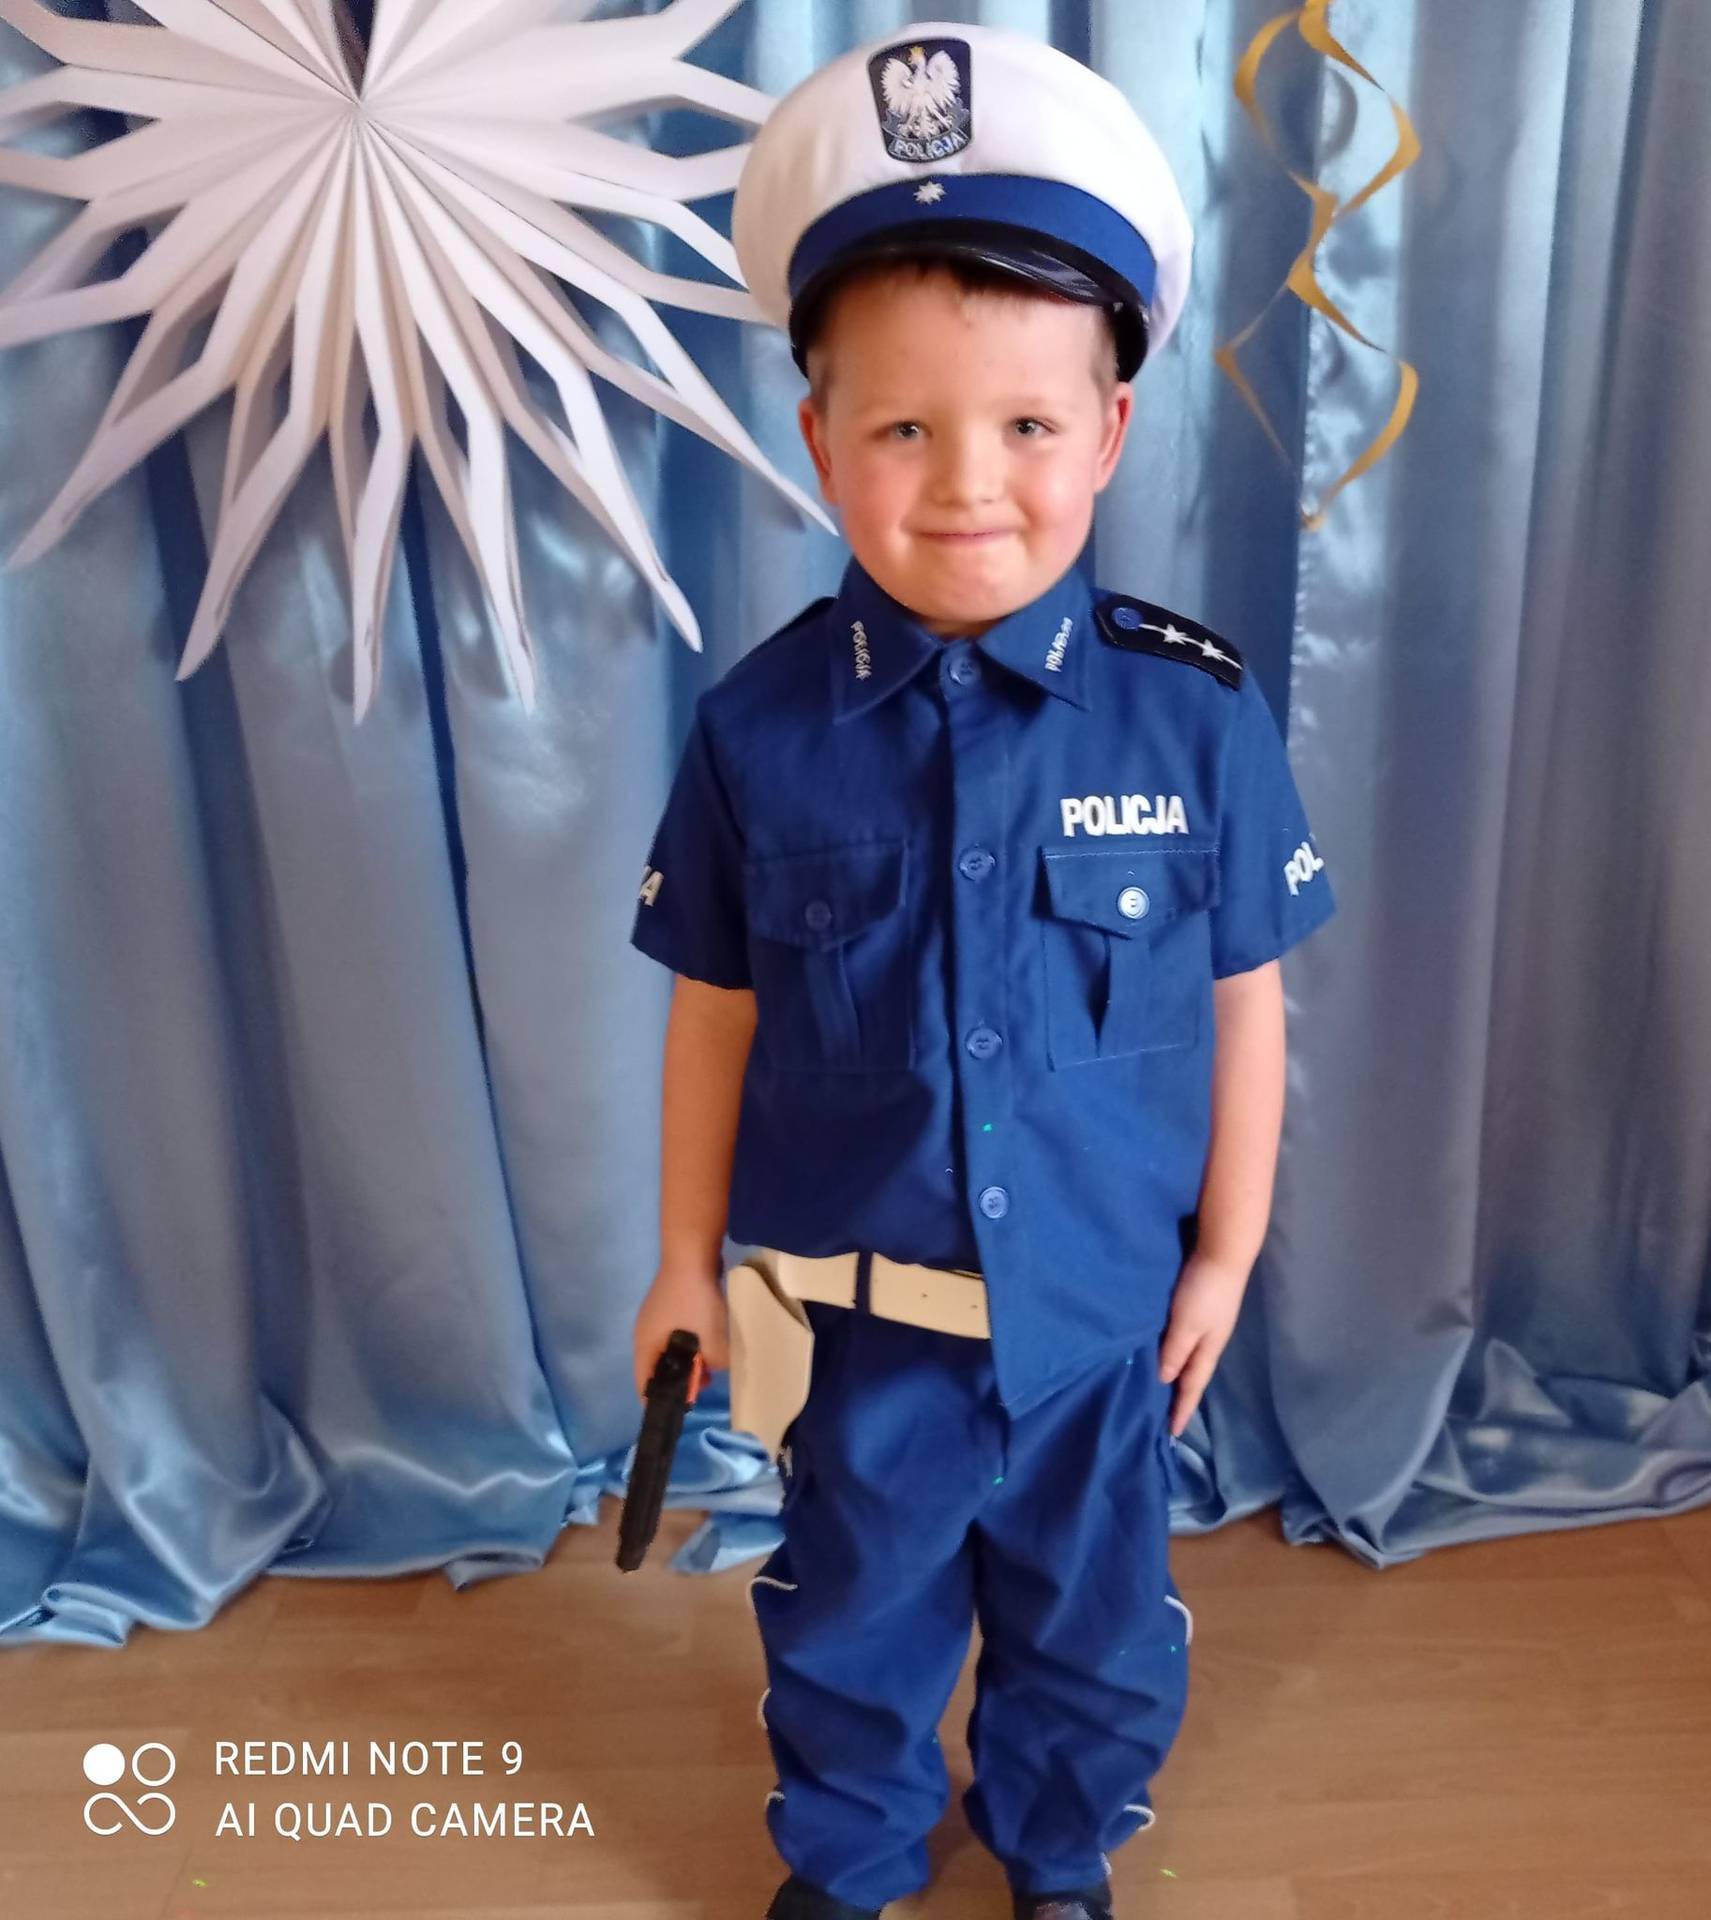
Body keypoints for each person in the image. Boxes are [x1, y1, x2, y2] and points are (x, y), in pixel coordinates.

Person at [627, 23, 1336, 1920]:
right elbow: (716, 1009)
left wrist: (1226, 1255)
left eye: (1028, 426)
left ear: (1109, 433)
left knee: (1095, 1637)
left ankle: (1057, 1855)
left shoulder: (1195, 719)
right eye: (903, 430)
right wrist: (686, 1261)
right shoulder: (757, 732)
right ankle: (849, 1867)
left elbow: (1247, 999)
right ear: (819, 443)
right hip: (862, 1330)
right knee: (845, 1631)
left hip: (1104, 1327)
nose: (968, 486)